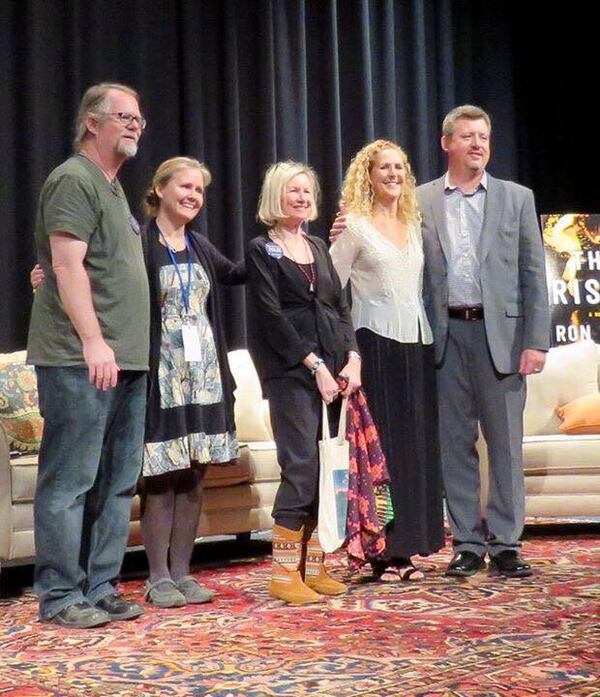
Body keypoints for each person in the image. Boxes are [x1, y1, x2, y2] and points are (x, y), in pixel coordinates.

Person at [26, 83, 150, 628]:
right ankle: (59, 594)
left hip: (128, 358)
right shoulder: (73, 179)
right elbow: (67, 265)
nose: (134, 125)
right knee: (70, 480)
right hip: (82, 359)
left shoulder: (116, 189)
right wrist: (94, 341)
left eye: (139, 119)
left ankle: (99, 585)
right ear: (92, 123)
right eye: (123, 116)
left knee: (117, 481)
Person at [417, 105, 550, 578]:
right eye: (467, 136)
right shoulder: (422, 200)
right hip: (446, 336)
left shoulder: (517, 198)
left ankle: (508, 542)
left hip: (505, 339)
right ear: (446, 142)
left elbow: (534, 274)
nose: (477, 144)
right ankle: (468, 542)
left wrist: (536, 341)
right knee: (455, 443)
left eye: (483, 137)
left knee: (506, 444)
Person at [246, 161, 361, 605]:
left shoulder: (316, 244)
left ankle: (314, 567)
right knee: (301, 466)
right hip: (293, 371)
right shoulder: (262, 249)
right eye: (293, 190)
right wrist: (314, 366)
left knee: (328, 465)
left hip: (335, 368)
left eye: (307, 190)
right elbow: (271, 317)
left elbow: (339, 305)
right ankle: (282, 572)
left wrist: (352, 356)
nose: (302, 197)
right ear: (276, 196)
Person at [329, 140, 444, 581]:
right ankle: (385, 549)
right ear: (369, 176)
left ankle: (412, 545)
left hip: (417, 344)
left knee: (414, 449)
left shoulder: (413, 222)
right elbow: (329, 289)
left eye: (399, 167)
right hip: (374, 345)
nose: (393, 174)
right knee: (384, 453)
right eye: (384, 169)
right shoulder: (354, 227)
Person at [140, 157, 244, 607]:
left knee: (194, 473)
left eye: (199, 190)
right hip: (160, 374)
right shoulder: (141, 241)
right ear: (160, 189)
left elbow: (237, 274)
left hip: (203, 376)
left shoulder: (198, 244)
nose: (193, 196)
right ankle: (157, 576)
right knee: (162, 475)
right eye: (185, 186)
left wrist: (279, 244)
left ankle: (183, 573)